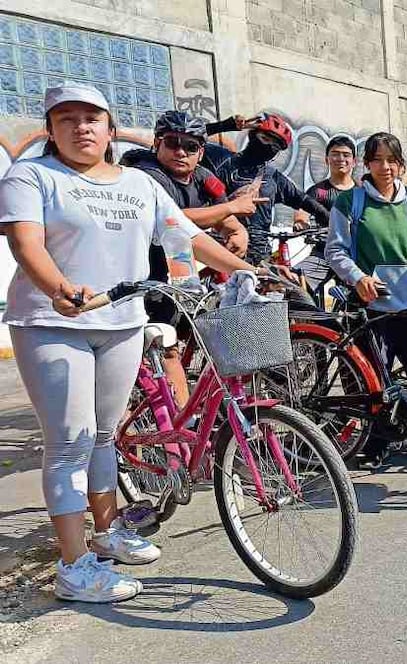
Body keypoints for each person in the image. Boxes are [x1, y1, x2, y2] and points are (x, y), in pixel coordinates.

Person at [0, 84, 260, 603]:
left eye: (91, 118)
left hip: (122, 321)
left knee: (103, 436)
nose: (81, 127)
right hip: (53, 322)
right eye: (66, 119)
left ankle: (106, 531)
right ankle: (74, 567)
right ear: (51, 130)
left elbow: (186, 237)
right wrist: (59, 287)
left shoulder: (140, 184)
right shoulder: (32, 176)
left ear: (110, 128)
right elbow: (25, 242)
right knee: (70, 441)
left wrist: (249, 270)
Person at [324, 132, 407, 466]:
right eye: (377, 160)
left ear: (401, 165)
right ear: (366, 164)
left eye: (391, 160)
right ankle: (376, 446)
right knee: (375, 379)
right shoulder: (350, 202)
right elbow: (335, 250)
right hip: (372, 304)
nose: (384, 167)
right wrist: (358, 277)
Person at [120, 110, 259, 407]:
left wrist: (238, 232)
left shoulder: (203, 178)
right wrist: (231, 208)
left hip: (180, 270)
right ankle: (183, 425)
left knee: (200, 332)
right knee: (167, 346)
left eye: (190, 146)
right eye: (172, 143)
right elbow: (175, 219)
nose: (181, 152)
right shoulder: (146, 176)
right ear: (157, 143)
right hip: (141, 274)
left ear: (201, 152)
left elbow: (224, 217)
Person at [204, 112, 331, 264]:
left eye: (275, 145)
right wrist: (226, 125)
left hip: (260, 254)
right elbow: (188, 137)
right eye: (265, 138)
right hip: (223, 248)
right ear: (252, 135)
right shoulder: (222, 160)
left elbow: (303, 200)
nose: (269, 146)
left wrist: (330, 219)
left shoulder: (273, 178)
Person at [293, 135, 358, 306]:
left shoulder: (362, 191)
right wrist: (301, 224)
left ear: (354, 161)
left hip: (355, 256)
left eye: (346, 155)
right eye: (335, 154)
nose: (340, 159)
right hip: (322, 253)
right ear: (326, 159)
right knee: (295, 280)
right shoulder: (317, 191)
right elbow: (301, 215)